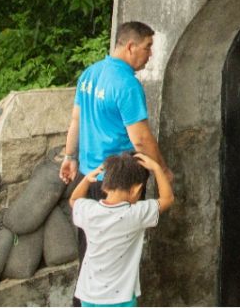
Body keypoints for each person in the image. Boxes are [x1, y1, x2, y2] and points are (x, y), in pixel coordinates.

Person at [58, 21, 172, 308]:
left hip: (89, 176)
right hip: (120, 180)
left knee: (90, 254)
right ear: (130, 46)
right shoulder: (126, 84)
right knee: (121, 255)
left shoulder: (89, 74)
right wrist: (162, 168)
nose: (150, 54)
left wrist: (70, 158)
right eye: (147, 47)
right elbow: (141, 139)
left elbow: (76, 120)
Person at [70, 151, 174, 308]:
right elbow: (167, 199)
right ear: (136, 189)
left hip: (88, 295)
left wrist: (85, 180)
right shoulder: (135, 215)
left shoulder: (90, 211)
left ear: (105, 186)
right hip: (119, 298)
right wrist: (157, 168)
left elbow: (74, 200)